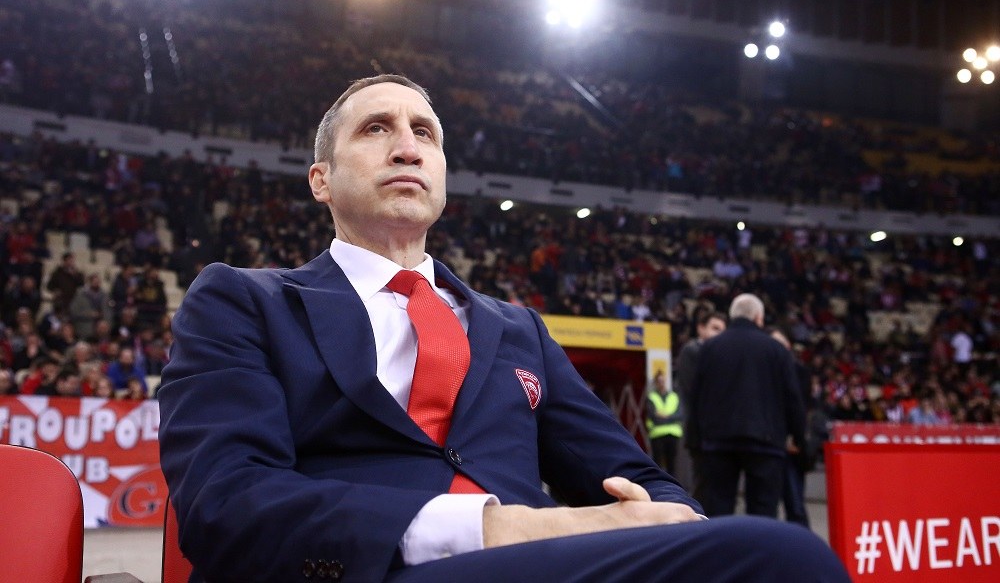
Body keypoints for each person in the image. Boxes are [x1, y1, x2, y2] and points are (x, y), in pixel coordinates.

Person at [158, 75, 849, 583]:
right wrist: (506, 526)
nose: (407, 148)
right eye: (376, 129)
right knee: (781, 556)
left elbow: (636, 475)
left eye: (425, 133)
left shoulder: (519, 329)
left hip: (542, 568)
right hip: (363, 570)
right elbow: (226, 503)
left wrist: (666, 517)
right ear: (321, 180)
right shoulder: (242, 300)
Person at [687, 293, 807, 518]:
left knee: (718, 510)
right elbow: (792, 398)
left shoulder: (710, 348)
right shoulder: (777, 350)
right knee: (762, 513)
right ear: (759, 317)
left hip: (718, 442)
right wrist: (799, 438)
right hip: (766, 442)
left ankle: (720, 542)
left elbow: (696, 397)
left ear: (732, 316)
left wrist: (694, 441)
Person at [672, 310, 726, 490]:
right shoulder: (692, 350)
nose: (719, 334)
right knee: (700, 483)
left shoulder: (716, 354)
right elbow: (694, 390)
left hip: (712, 430)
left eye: (722, 330)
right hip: (698, 429)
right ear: (701, 328)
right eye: (715, 328)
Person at [769, 328, 814, 528]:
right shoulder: (762, 373)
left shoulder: (800, 372)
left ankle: (801, 541)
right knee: (767, 505)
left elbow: (801, 408)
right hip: (768, 443)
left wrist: (797, 438)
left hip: (791, 445)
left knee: (795, 503)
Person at [645, 370, 682, 473]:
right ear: (656, 383)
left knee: (672, 464)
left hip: (672, 433)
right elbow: (653, 416)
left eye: (663, 381)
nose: (661, 383)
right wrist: (670, 417)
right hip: (657, 434)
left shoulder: (674, 396)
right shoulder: (652, 397)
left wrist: (663, 416)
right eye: (659, 381)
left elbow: (679, 415)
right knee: (657, 464)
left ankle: (672, 483)